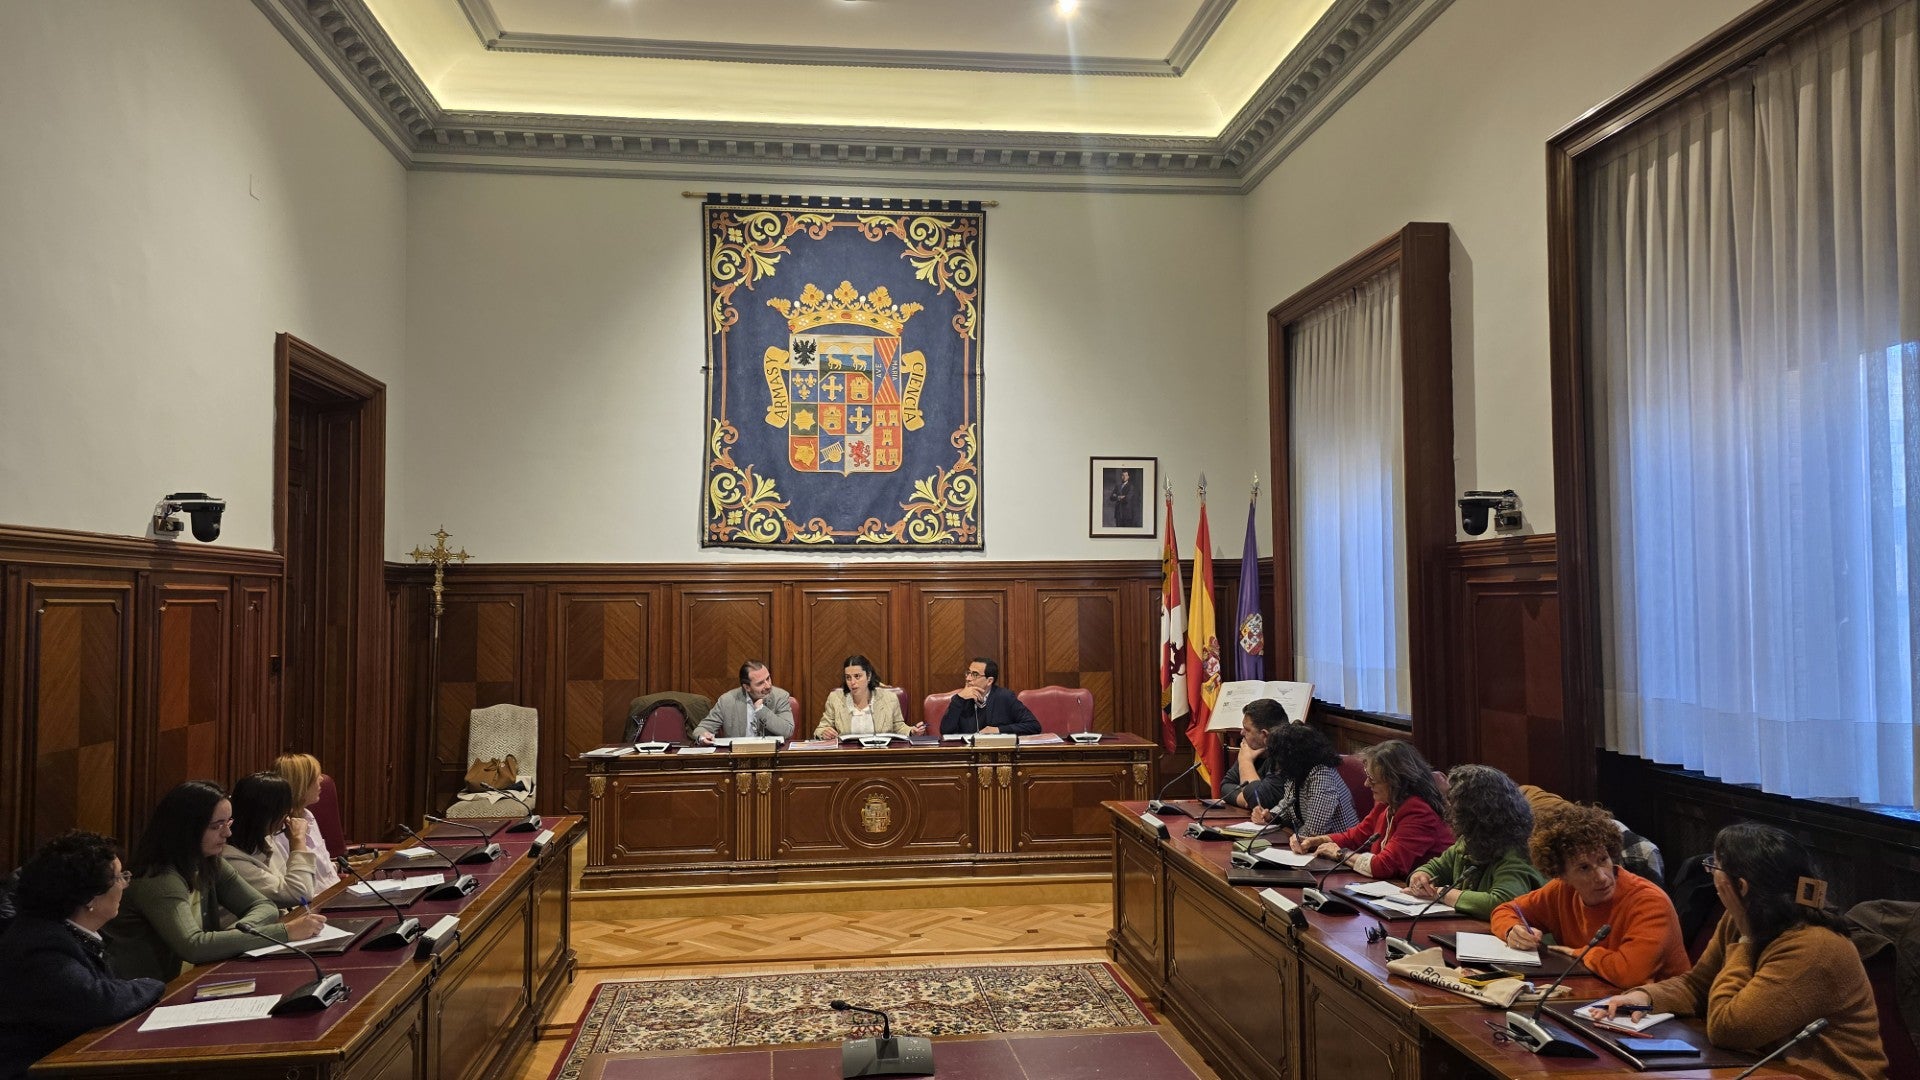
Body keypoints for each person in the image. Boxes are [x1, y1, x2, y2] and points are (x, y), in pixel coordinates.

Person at [1592, 823, 1888, 1078]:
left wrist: (1746, 941)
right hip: (1763, 1067)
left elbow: (1729, 1029)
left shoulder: (1813, 945)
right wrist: (1645, 996)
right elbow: (1697, 985)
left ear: (1742, 886)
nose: (1710, 873)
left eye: (1714, 865)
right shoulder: (1740, 917)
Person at [104, 780, 327, 981]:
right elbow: (194, 946)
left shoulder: (210, 862)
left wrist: (230, 938)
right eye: (216, 826)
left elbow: (263, 905)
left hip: (199, 976)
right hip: (151, 993)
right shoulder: (158, 879)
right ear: (186, 829)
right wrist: (285, 932)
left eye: (228, 823)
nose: (227, 834)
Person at [0, 831, 164, 1078]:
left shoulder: (60, 931)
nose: (124, 885)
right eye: (119, 877)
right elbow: (99, 1001)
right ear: (90, 897)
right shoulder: (41, 944)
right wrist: (153, 985)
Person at [1490, 801, 1688, 987]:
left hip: (1661, 1013)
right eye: (1584, 868)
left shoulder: (1649, 901)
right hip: (1595, 995)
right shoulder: (1561, 891)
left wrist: (1578, 954)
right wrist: (1511, 930)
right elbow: (1505, 909)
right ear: (1561, 874)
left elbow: (1630, 974)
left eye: (1603, 860)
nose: (1601, 877)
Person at [1289, 739, 1452, 880]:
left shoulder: (1419, 811)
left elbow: (1385, 866)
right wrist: (1317, 841)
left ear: (1396, 782)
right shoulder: (1387, 802)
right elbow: (1356, 836)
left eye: (1373, 780)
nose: (1367, 784)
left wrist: (1340, 854)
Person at [1405, 764, 1546, 920]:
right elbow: (1437, 866)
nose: (1447, 808)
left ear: (1474, 811)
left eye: (1453, 804)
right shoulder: (1470, 840)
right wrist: (1421, 876)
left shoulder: (1518, 851)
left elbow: (1502, 903)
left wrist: (1441, 893)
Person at [221, 771, 320, 910]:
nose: (289, 812)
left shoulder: (265, 839)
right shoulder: (230, 859)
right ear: (268, 814)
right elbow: (301, 894)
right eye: (284, 808)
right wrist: (298, 841)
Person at [1247, 720, 1359, 837]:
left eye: (1280, 758)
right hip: (1313, 845)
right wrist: (1270, 816)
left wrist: (1292, 840)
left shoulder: (1322, 775)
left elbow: (1314, 830)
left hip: (1340, 848)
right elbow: (1288, 803)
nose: (1277, 764)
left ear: (1292, 756)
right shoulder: (1298, 771)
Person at [271, 753, 341, 891]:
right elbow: (296, 887)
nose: (321, 779)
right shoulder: (277, 830)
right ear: (301, 784)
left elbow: (326, 871)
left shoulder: (308, 815)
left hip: (335, 895)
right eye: (316, 776)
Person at [815, 654, 916, 739]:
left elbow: (899, 727)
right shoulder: (835, 699)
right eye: (848, 677)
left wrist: (912, 731)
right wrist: (824, 732)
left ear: (868, 676)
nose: (852, 682)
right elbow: (820, 730)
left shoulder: (889, 698)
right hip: (847, 756)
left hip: (881, 754)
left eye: (857, 676)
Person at [696, 660, 795, 742]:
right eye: (760, 683)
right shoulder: (727, 701)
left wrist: (761, 710)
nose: (768, 685)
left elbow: (787, 731)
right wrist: (703, 737)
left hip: (771, 758)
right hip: (737, 758)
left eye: (768, 678)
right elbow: (701, 729)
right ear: (747, 687)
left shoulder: (780, 696)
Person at [940, 657, 1040, 736]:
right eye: (968, 673)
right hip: (968, 755)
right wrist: (958, 699)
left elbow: (1033, 726)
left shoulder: (1005, 697)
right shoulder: (960, 699)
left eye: (975, 674)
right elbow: (945, 731)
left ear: (989, 681)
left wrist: (997, 730)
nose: (968, 678)